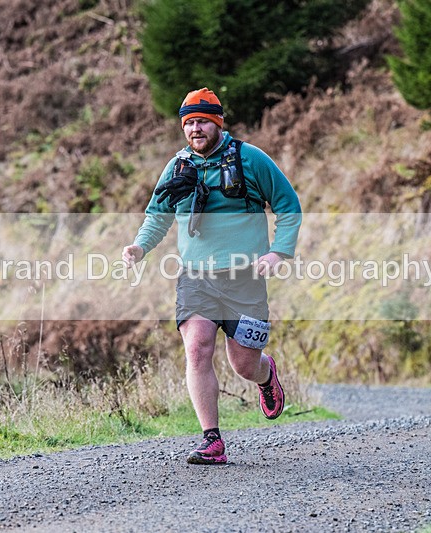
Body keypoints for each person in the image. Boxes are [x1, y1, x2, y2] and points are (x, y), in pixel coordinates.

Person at [122, 87, 301, 464]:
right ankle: (212, 440)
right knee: (198, 347)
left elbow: (288, 205)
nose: (195, 129)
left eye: (202, 121)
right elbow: (158, 215)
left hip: (245, 278)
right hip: (196, 277)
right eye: (189, 123)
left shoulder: (250, 159)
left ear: (218, 123)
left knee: (243, 364)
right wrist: (140, 246)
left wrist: (278, 251)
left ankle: (267, 377)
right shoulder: (178, 166)